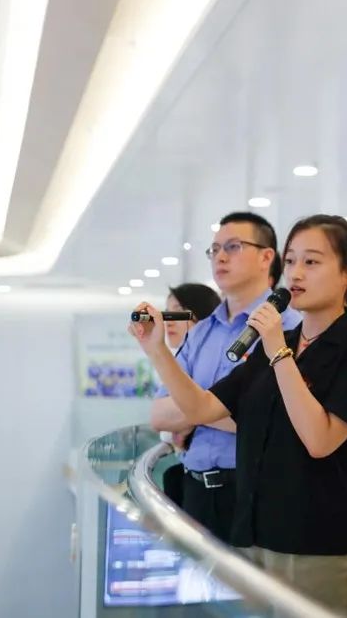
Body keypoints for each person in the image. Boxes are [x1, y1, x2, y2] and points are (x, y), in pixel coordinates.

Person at [131, 214, 347, 617]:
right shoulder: (281, 342)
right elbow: (200, 408)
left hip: (317, 548)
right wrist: (158, 350)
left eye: (312, 262)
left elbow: (319, 440)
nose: (296, 273)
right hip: (251, 539)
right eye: (292, 261)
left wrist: (278, 353)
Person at [149, 212, 299, 543]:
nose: (220, 257)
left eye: (233, 246)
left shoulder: (288, 327)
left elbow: (280, 421)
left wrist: (195, 407)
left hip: (256, 492)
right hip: (196, 492)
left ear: (266, 257)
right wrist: (222, 410)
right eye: (214, 249)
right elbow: (159, 414)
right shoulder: (201, 332)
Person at [160, 282, 223, 508]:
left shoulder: (219, 359)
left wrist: (192, 416)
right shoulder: (177, 362)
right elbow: (161, 421)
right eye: (167, 313)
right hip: (192, 478)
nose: (169, 321)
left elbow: (241, 418)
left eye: (179, 312)